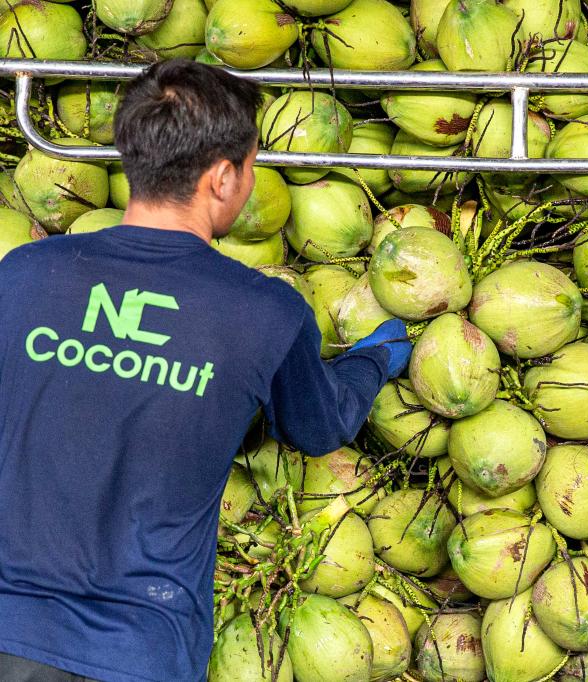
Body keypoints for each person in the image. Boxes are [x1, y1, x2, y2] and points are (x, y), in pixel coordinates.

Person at [0, 59, 411, 681]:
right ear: (222, 178)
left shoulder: (24, 274)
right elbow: (320, 426)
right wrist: (373, 361)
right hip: (141, 651)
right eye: (251, 165)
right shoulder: (263, 312)